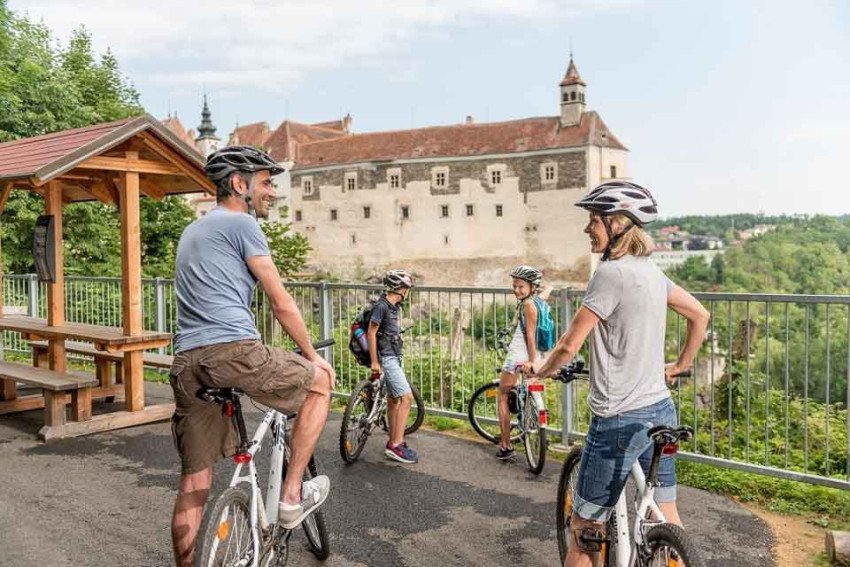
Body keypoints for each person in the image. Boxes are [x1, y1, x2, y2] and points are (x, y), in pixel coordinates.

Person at [168, 145, 337, 567]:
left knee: (195, 480)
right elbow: (279, 301)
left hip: (187, 360)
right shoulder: (242, 223)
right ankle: (293, 496)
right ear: (239, 185)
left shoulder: (194, 230)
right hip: (234, 351)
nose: (272, 193)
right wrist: (310, 355)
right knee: (320, 384)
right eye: (265, 183)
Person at [528, 181, 710, 567]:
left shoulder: (609, 275)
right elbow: (700, 315)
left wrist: (538, 371)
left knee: (583, 532)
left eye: (594, 220)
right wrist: (679, 366)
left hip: (618, 420)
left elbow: (567, 346)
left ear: (618, 225)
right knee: (664, 514)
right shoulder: (653, 274)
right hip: (660, 410)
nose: (587, 229)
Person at [495, 265, 553, 460]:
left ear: (531, 287)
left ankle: (505, 444)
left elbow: (529, 334)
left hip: (521, 354)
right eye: (514, 286)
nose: (516, 290)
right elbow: (547, 291)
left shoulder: (527, 305)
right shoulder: (538, 301)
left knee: (502, 393)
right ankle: (531, 420)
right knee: (529, 388)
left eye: (520, 286)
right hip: (541, 353)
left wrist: (531, 360)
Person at [368, 269, 418, 464]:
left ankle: (393, 440)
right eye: (406, 288)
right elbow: (372, 333)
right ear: (400, 289)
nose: (407, 292)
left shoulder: (394, 307)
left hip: (396, 355)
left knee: (392, 399)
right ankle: (396, 445)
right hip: (387, 358)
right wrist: (374, 362)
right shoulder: (381, 306)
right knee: (406, 398)